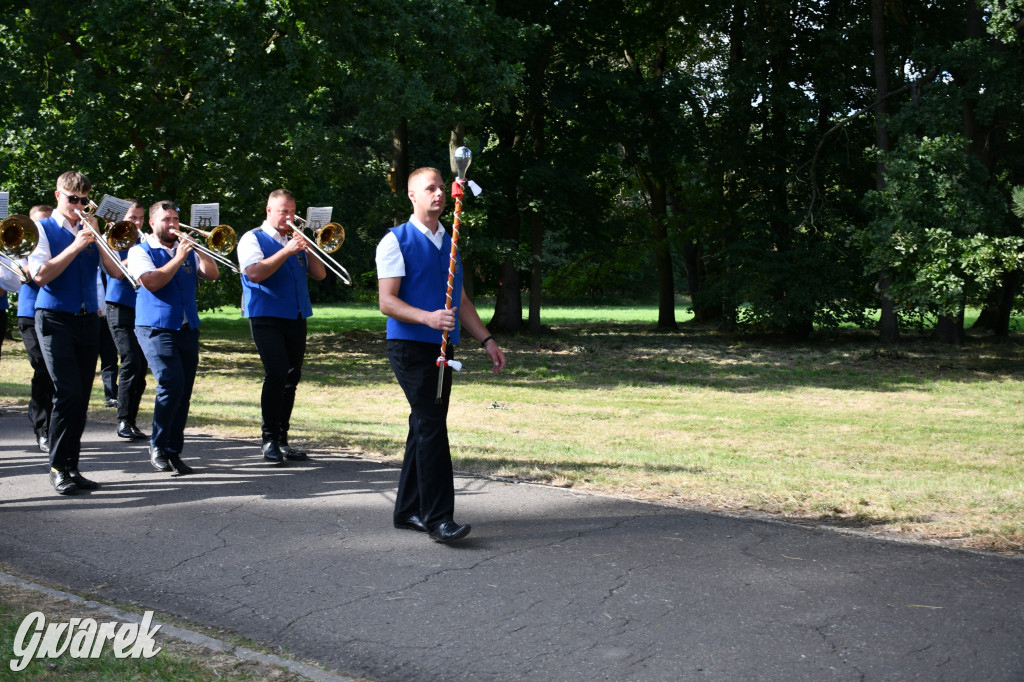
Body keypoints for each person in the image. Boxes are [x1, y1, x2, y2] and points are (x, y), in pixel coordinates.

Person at [376, 166, 506, 543]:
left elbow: (461, 301)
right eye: (428, 188)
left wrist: (487, 340)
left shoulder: (450, 242)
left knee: (423, 425)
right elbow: (387, 302)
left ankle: (407, 510)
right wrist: (428, 318)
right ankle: (439, 519)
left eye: (440, 188)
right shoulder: (394, 241)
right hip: (409, 347)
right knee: (433, 426)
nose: (438, 194)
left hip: (443, 347)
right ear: (412, 196)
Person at [29, 172, 126, 494]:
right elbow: (40, 276)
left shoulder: (90, 228)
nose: (80, 206)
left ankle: (72, 466)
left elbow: (115, 271)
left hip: (88, 320)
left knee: (81, 397)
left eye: (85, 200)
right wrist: (76, 244)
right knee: (67, 393)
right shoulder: (41, 229)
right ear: (58, 196)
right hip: (54, 317)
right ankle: (57, 467)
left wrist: (100, 240)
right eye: (74, 199)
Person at [127, 200, 218, 476]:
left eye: (176, 219)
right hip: (155, 327)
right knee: (171, 382)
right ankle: (157, 444)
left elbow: (212, 274)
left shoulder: (187, 250)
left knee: (184, 390)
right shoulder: (139, 251)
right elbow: (152, 282)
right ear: (152, 223)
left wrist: (201, 251)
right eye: (166, 219)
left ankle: (173, 450)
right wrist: (179, 257)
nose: (173, 225)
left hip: (187, 327)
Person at [237, 189, 326, 464]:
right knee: (276, 373)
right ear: (269, 210)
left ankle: (282, 438)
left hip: (296, 314)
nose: (288, 217)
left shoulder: (296, 240)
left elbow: (321, 274)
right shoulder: (253, 238)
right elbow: (254, 273)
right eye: (282, 211)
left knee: (291, 377)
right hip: (266, 315)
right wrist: (286, 251)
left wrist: (308, 247)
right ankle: (268, 439)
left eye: (292, 211)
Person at [105, 199, 149, 440]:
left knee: (141, 365)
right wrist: (136, 255)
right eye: (133, 218)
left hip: (141, 306)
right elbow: (116, 272)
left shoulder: (144, 240)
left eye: (141, 218)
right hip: (119, 304)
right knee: (131, 359)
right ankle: (123, 420)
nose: (138, 223)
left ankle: (131, 420)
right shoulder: (112, 238)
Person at [19, 205, 55, 453]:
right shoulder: (19, 245)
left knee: (54, 372)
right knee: (42, 368)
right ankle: (42, 429)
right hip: (30, 312)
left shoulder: (54, 240)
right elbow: (26, 275)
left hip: (56, 311)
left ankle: (47, 422)